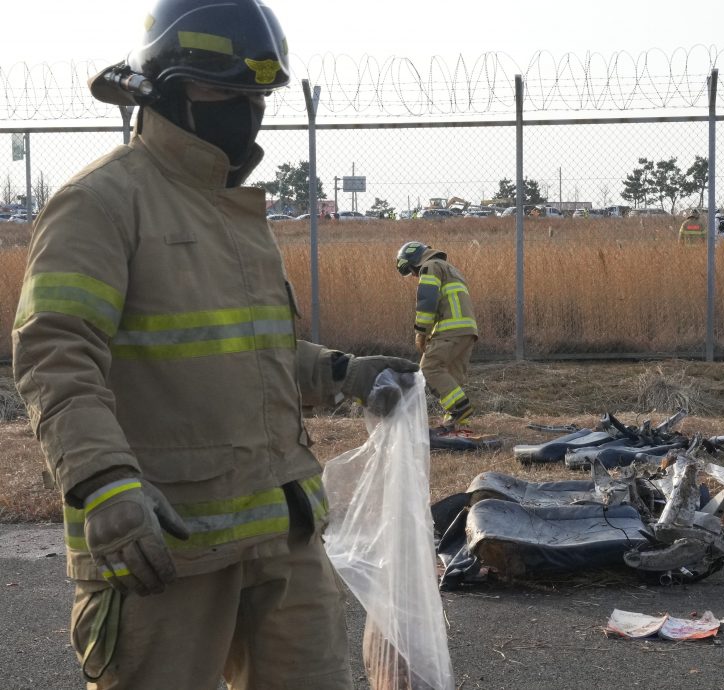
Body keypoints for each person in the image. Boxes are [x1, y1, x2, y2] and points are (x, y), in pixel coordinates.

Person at [11, 2, 418, 688]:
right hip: (166, 545)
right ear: (163, 85)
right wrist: (103, 484)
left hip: (282, 535)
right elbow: (56, 354)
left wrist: (341, 371)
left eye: (256, 95)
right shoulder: (101, 202)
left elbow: (245, 354)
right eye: (224, 92)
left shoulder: (232, 209)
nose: (245, 111)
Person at [396, 241, 479, 432]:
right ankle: (458, 422)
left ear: (415, 259)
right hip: (468, 330)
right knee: (452, 375)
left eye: (412, 270)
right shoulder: (451, 269)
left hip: (451, 329)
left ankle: (460, 408)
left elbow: (427, 301)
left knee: (429, 368)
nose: (414, 275)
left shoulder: (430, 267)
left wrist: (421, 333)